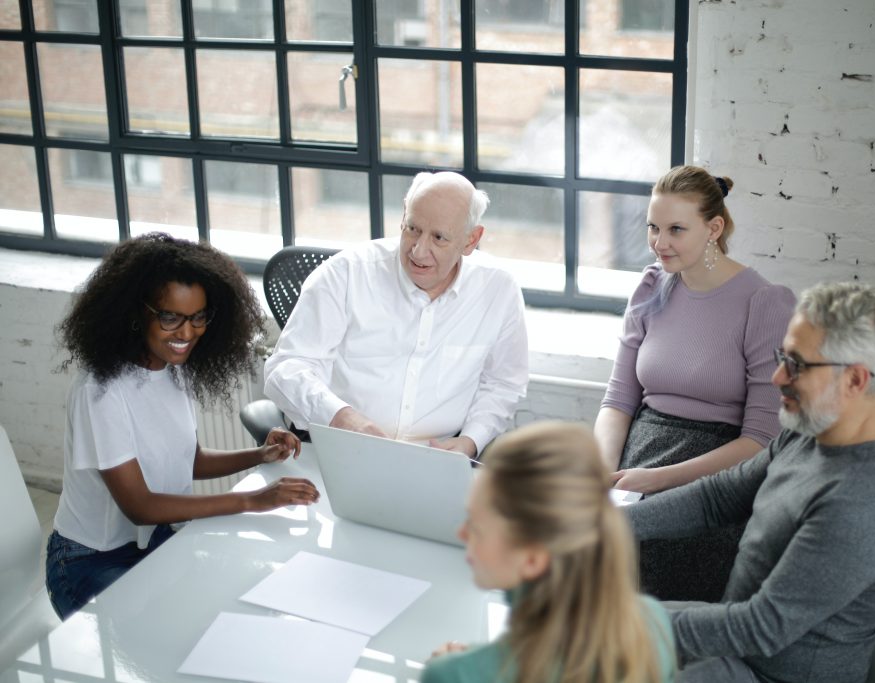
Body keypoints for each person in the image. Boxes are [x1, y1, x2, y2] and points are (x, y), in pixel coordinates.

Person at [627, 282, 875, 683]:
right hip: (740, 641)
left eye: (798, 365)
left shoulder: (864, 503)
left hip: (770, 670)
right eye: (783, 356)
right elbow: (717, 498)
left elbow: (761, 627)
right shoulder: (812, 428)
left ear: (855, 380)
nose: (777, 377)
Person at [47, 233, 320, 620]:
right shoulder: (101, 391)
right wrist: (252, 501)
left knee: (232, 608)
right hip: (88, 561)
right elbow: (140, 506)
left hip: (154, 541)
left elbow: (188, 461)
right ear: (135, 312)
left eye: (198, 318)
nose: (187, 333)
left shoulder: (174, 368)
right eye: (170, 317)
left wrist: (259, 455)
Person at [594, 164, 795, 602]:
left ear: (713, 228)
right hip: (637, 463)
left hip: (715, 482)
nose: (658, 243)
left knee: (655, 587)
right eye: (652, 227)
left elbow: (761, 439)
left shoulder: (765, 303)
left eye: (675, 230)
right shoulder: (651, 286)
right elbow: (619, 398)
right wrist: (603, 473)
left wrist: (657, 481)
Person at [264, 171, 528, 459]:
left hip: (436, 458)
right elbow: (286, 368)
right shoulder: (346, 273)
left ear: (471, 240)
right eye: (413, 228)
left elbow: (502, 384)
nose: (418, 250)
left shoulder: (498, 290)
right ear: (404, 213)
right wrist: (342, 418)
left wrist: (470, 441)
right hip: (337, 447)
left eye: (439, 237)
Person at [422, 421, 677, 683]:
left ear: (532, 559)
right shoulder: (653, 621)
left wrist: (460, 668)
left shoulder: (455, 673)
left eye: (476, 526)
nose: (462, 534)